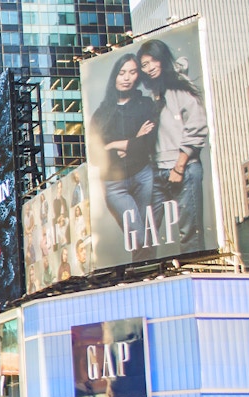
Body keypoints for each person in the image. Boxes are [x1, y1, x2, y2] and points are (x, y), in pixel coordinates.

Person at [138, 39, 209, 256]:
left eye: (153, 61)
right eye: (144, 64)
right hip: (157, 171)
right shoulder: (153, 94)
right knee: (144, 235)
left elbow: (197, 125)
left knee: (190, 234)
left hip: (183, 170)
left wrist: (179, 166)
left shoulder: (179, 87)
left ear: (162, 59)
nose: (149, 68)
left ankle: (195, 278)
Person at [88, 52, 157, 262]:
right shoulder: (101, 114)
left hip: (144, 175)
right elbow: (94, 154)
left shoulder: (146, 105)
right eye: (122, 72)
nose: (126, 78)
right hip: (114, 184)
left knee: (148, 241)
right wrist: (134, 140)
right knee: (140, 238)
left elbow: (149, 143)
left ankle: (144, 282)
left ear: (138, 76)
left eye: (132, 72)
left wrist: (114, 144)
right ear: (114, 76)